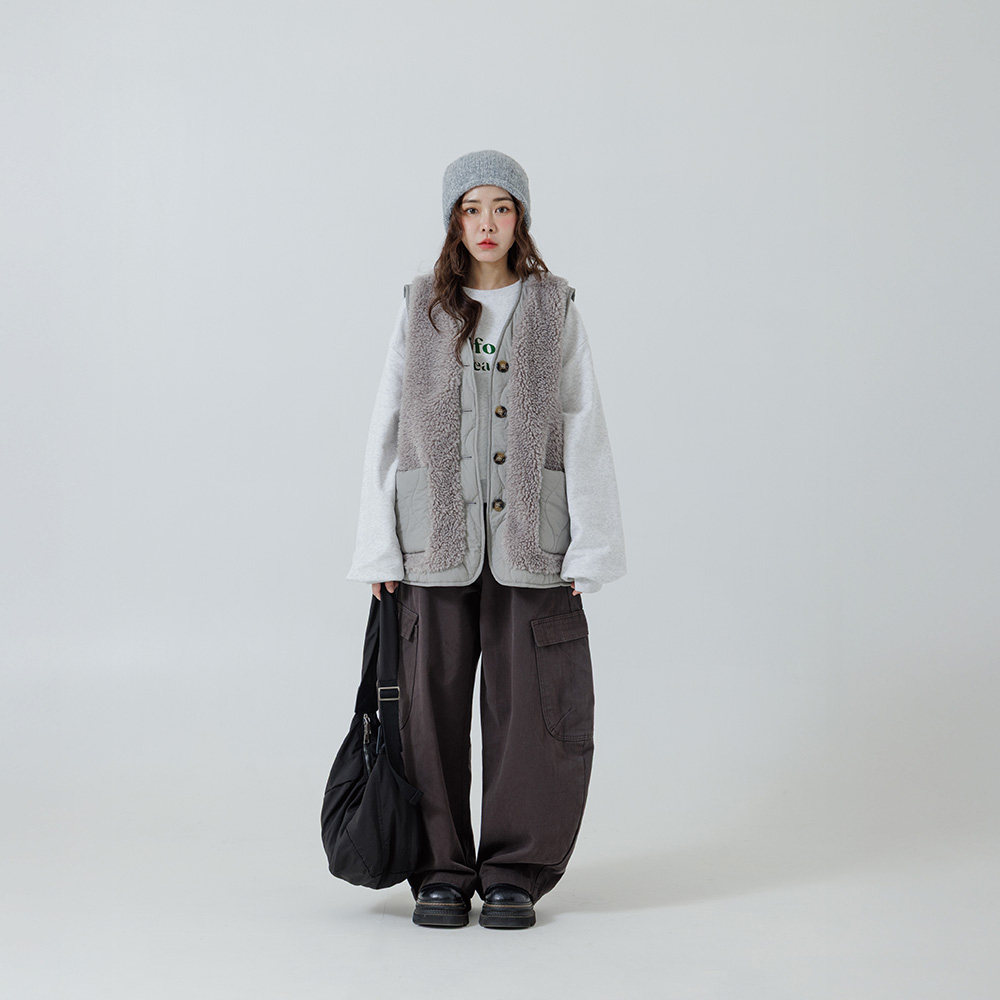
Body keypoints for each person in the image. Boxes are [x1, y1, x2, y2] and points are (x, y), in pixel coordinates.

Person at [346, 149, 626, 929]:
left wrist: (591, 544)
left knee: (530, 710)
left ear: (520, 217)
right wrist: (378, 547)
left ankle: (513, 872)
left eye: (501, 207)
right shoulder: (421, 306)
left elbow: (584, 422)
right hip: (431, 541)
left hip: (533, 540)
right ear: (453, 221)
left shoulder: (553, 306)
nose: (487, 223)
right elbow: (387, 425)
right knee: (426, 712)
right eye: (471, 209)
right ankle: (439, 870)